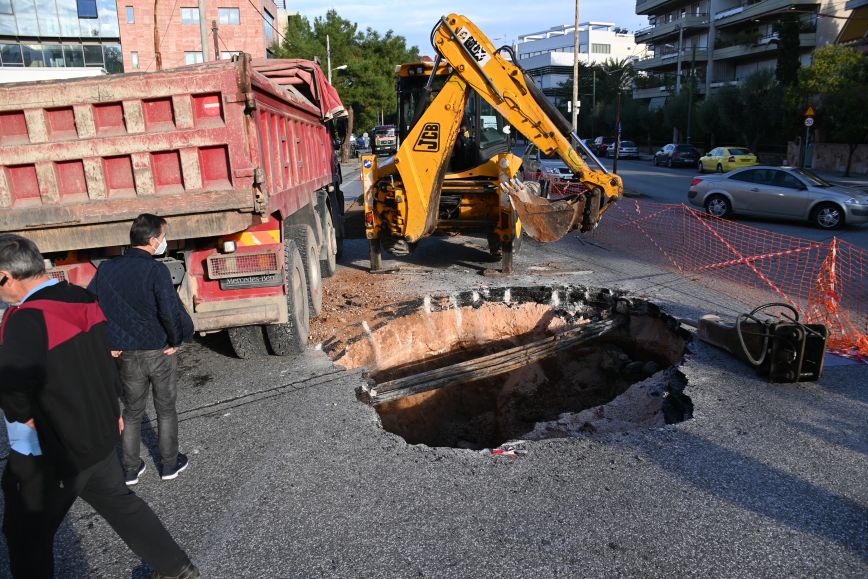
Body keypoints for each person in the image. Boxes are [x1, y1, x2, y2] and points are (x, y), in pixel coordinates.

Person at [0, 233, 199, 578]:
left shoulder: (23, 320)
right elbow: (105, 358)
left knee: (26, 536)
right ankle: (176, 568)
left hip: (53, 451)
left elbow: (13, 387)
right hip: (101, 433)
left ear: (5, 276)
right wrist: (114, 408)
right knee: (121, 504)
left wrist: (23, 428)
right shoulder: (80, 297)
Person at [88, 214, 193, 485]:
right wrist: (176, 340)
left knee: (132, 412)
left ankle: (131, 469)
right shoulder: (156, 271)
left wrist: (107, 342)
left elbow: (91, 307)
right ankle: (169, 465)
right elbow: (169, 311)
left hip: (125, 355)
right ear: (152, 240)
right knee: (166, 409)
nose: (165, 241)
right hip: (159, 352)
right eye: (163, 236)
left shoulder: (107, 270)